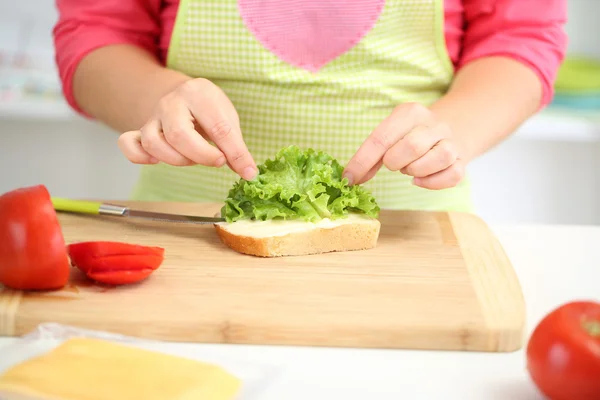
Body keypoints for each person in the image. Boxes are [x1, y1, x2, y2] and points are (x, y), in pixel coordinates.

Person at [53, 0, 568, 212]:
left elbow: (520, 36)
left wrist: (452, 131)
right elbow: (98, 29)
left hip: (412, 230)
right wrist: (155, 101)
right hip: (184, 220)